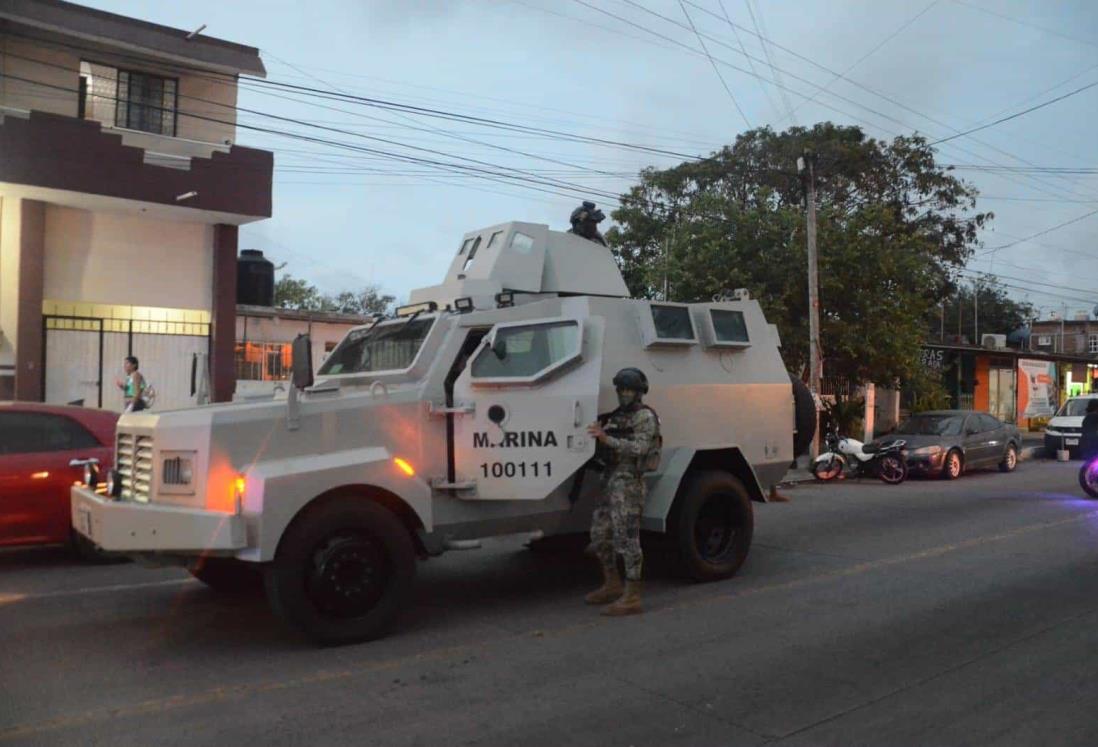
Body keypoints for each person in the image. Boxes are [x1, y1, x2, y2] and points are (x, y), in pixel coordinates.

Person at [585, 367, 660, 616]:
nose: (625, 394)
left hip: (629, 482)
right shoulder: (615, 416)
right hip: (610, 479)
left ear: (639, 393)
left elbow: (639, 448)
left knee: (627, 539)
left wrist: (607, 439)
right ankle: (612, 583)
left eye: (630, 390)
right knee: (599, 534)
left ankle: (632, 595)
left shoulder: (645, 417)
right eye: (622, 390)